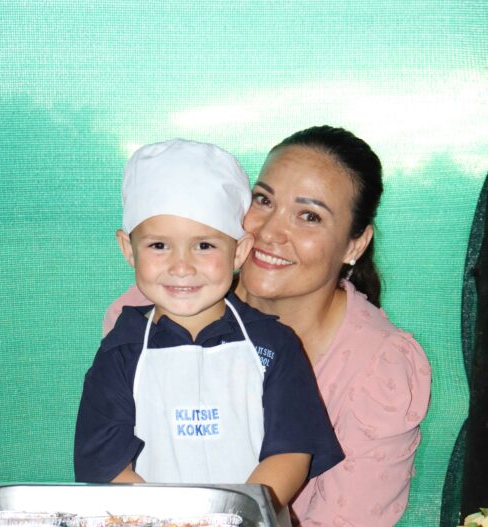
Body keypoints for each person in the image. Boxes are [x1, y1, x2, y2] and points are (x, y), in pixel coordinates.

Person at [103, 128, 432, 527]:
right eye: (263, 200)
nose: (273, 232)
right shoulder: (155, 310)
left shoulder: (379, 367)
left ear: (354, 243)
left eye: (309, 216)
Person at [74, 138, 344, 508]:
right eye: (158, 246)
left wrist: (234, 518)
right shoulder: (121, 352)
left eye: (204, 246)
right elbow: (107, 465)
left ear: (241, 251)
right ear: (128, 249)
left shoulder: (273, 346)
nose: (181, 266)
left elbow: (291, 453)